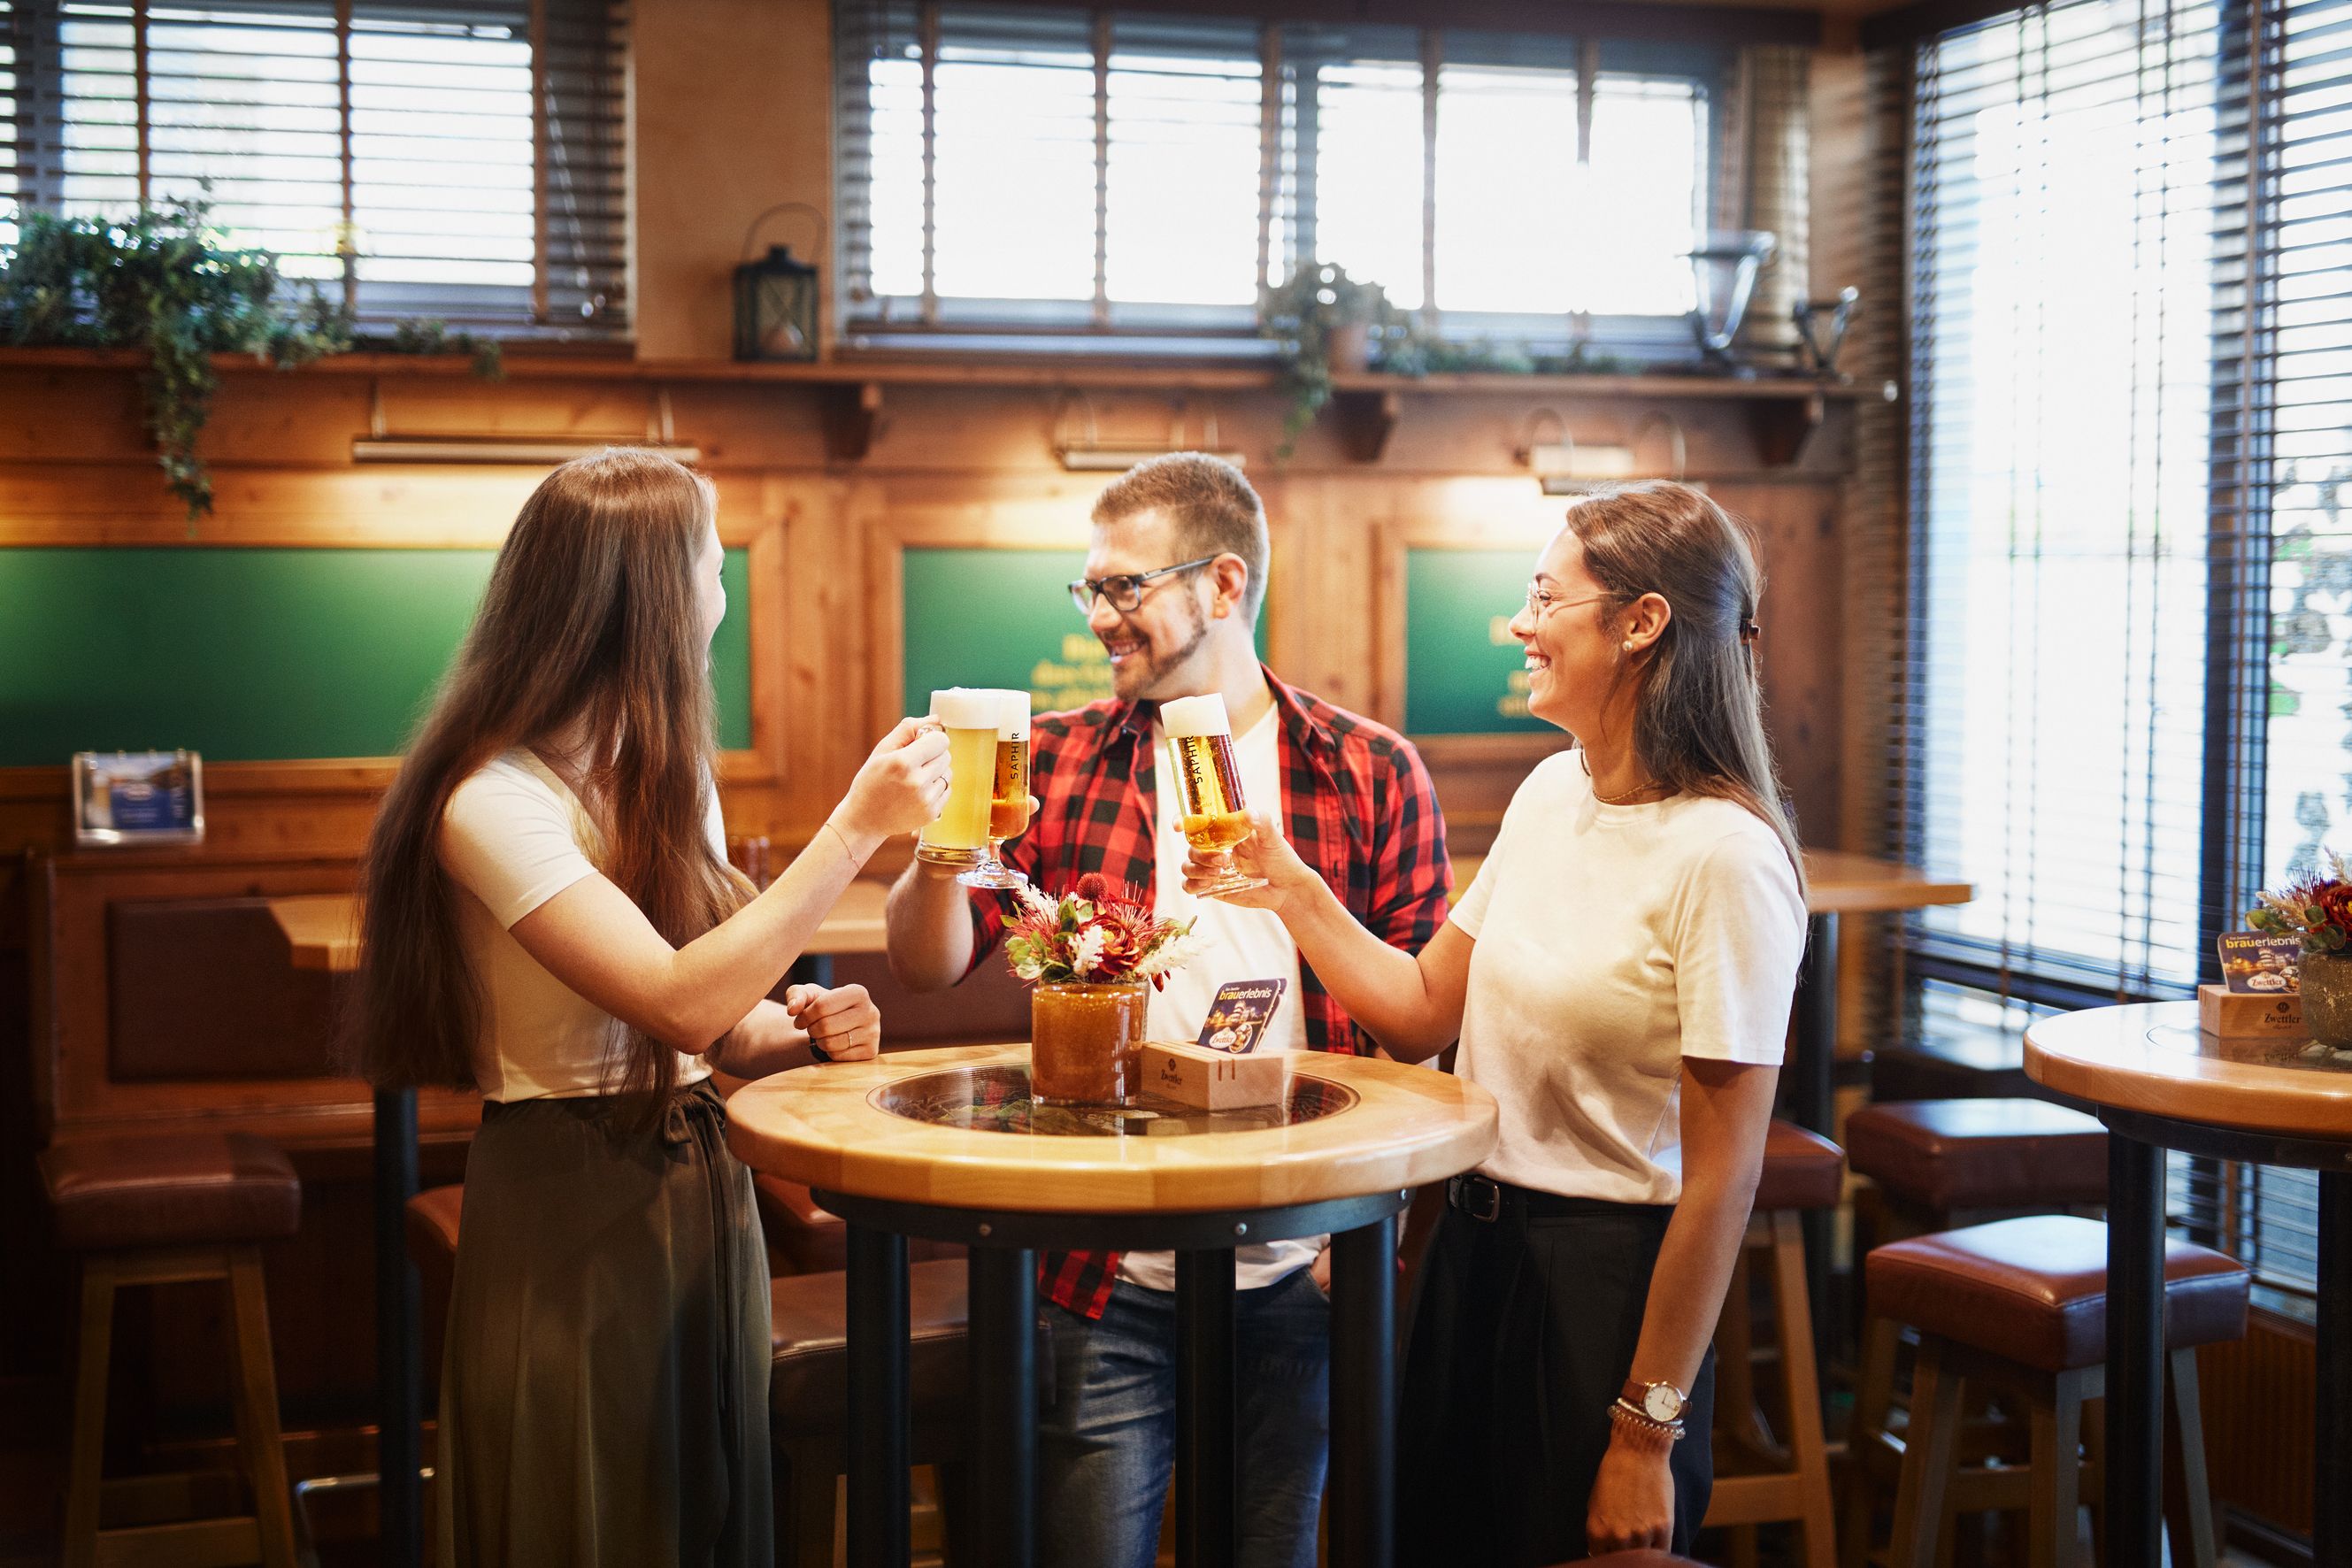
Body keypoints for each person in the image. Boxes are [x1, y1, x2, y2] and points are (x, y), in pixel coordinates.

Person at [348, 449, 952, 1567]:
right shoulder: (491, 800)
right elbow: (678, 1001)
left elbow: (716, 1030)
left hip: (700, 1175)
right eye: (712, 566)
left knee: (707, 1506)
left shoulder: (664, 774)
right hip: (568, 1195)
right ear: (653, 598)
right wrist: (857, 827)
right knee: (584, 1513)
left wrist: (805, 1028)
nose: (722, 594)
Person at [1189, 480, 1806, 1564]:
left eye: (1545, 598)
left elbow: (1724, 1180)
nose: (1520, 624)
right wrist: (1292, 889)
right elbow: (1422, 1009)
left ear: (1641, 623)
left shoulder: (1728, 856)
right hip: (1469, 1256)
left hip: (1603, 1293)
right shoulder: (1549, 793)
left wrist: (1643, 1432)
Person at [884, 452, 1450, 1568]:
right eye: (1090, 588)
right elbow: (927, 963)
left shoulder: (1368, 768)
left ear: (1224, 583)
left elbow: (1425, 1023)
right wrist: (942, 843)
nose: (1101, 615)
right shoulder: (1058, 757)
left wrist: (1382, 1223)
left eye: (1125, 586)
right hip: (1105, 1262)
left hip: (1306, 1254)